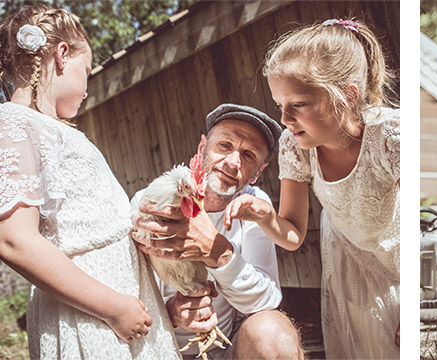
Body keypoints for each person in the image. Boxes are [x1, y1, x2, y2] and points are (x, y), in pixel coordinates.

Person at [0, 5, 178, 358]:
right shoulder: (15, 125)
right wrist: (113, 307)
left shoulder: (50, 128)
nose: (86, 87)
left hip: (120, 298)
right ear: (62, 55)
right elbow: (14, 240)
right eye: (87, 70)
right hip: (88, 313)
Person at [222, 18, 399, 358]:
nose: (285, 119)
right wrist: (266, 218)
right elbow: (293, 234)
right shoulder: (294, 145)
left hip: (397, 256)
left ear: (347, 95)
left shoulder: (389, 136)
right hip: (348, 258)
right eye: (280, 106)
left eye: (298, 105)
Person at [130, 104, 302, 359]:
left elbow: (265, 301)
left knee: (273, 332)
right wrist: (171, 313)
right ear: (202, 148)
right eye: (224, 146)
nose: (233, 162)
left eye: (249, 155)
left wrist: (219, 253)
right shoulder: (149, 205)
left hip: (226, 345)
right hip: (160, 345)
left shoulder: (253, 206)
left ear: (258, 173)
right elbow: (128, 296)